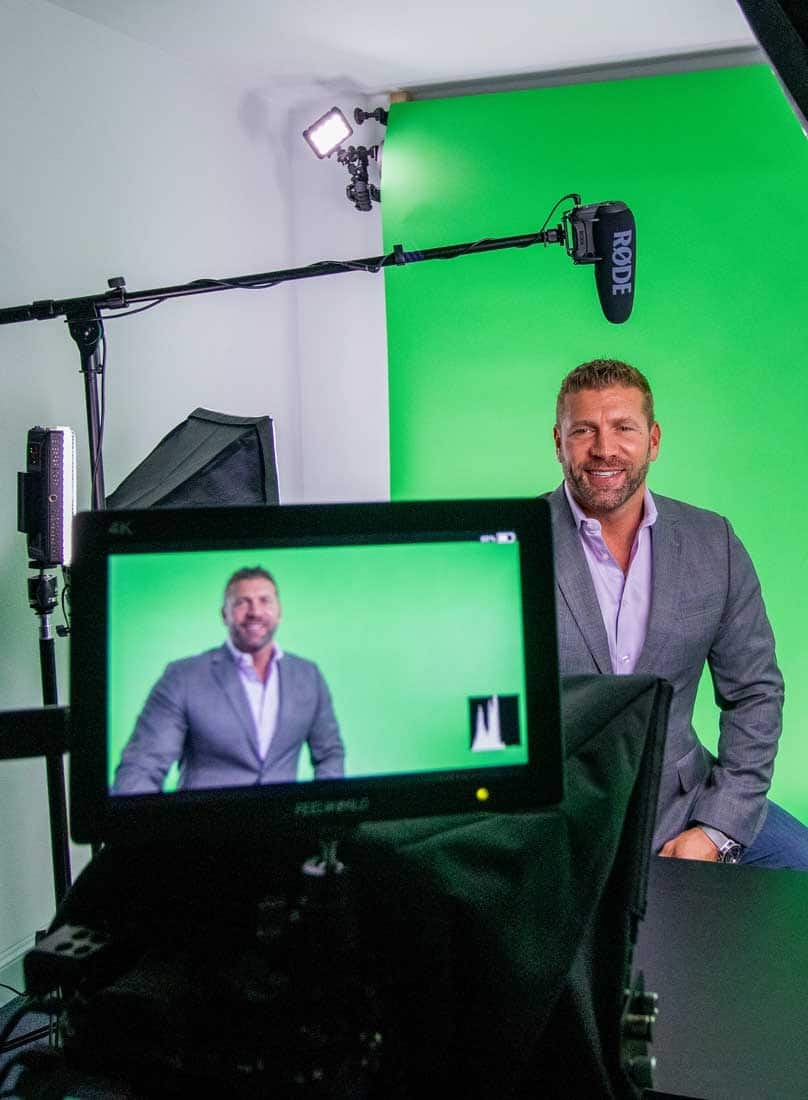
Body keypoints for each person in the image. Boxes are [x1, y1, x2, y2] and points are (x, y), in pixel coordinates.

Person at [547, 358, 808, 868]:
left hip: (683, 804)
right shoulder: (512, 545)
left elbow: (755, 692)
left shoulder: (714, 544)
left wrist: (715, 829)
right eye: (584, 430)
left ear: (654, 439)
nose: (604, 448)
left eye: (624, 428)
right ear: (558, 441)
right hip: (559, 819)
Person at [112, 566, 345, 794]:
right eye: (242, 602)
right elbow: (143, 765)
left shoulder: (308, 675)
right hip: (205, 829)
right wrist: (139, 826)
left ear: (279, 612)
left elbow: (330, 754)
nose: (255, 611)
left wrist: (321, 813)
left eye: (265, 601)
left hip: (284, 829)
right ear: (224, 614)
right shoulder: (183, 677)